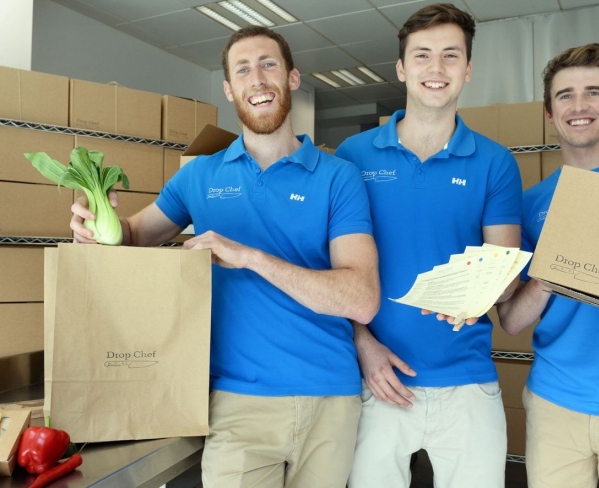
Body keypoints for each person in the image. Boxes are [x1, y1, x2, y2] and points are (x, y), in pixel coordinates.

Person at [70, 25, 381, 488]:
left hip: (331, 400)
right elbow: (134, 237)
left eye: (268, 64)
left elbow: (361, 298)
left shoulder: (339, 177)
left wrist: (252, 257)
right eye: (243, 70)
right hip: (235, 404)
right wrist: (94, 226)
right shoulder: (198, 176)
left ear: (292, 78)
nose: (257, 79)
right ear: (229, 89)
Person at [335, 4, 523, 487]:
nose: (435, 70)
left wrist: (478, 295)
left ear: (467, 69)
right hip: (376, 379)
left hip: (466, 380)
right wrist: (362, 344)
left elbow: (504, 278)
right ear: (401, 68)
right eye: (421, 56)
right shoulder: (352, 157)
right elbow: (332, 274)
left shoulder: (495, 162)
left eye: (450, 56)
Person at [497, 43, 599, 488]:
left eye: (593, 93)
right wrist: (549, 275)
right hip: (555, 403)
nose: (578, 106)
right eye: (564, 95)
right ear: (549, 112)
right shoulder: (530, 204)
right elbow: (510, 321)